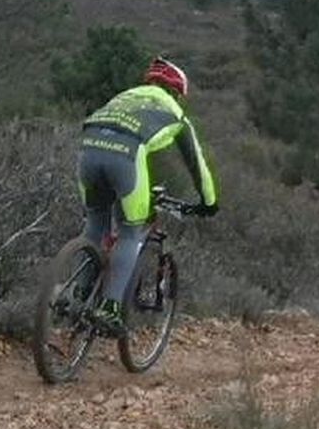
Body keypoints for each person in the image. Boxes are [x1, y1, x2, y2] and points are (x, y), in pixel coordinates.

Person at [78, 56, 218, 335]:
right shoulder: (176, 114)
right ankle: (110, 307)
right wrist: (209, 203)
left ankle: (77, 297)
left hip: (88, 150)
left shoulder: (125, 96)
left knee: (95, 225)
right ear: (177, 93)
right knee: (131, 232)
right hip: (126, 156)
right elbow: (197, 166)